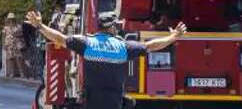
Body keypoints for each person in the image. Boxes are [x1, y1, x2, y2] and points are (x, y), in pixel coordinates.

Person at [28, 10, 186, 109]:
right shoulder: (122, 47)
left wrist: (40, 26)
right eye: (116, 25)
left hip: (91, 103)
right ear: (111, 28)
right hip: (114, 103)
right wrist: (173, 36)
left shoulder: (87, 43)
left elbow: (60, 38)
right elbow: (151, 46)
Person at [2, 13, 27, 78]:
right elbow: (4, 36)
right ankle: (12, 73)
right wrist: (4, 44)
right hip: (9, 44)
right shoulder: (6, 27)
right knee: (10, 59)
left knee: (19, 58)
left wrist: (17, 36)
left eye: (12, 19)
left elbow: (21, 35)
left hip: (16, 44)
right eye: (10, 19)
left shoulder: (18, 26)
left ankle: (22, 73)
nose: (11, 20)